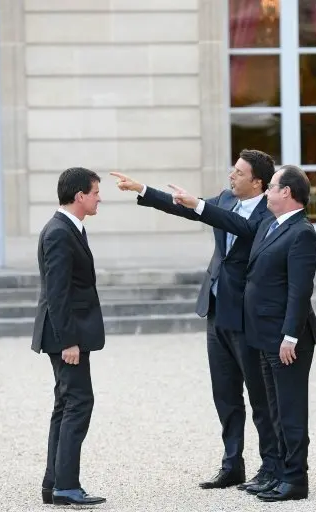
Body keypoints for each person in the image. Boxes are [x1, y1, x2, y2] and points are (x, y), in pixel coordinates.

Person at [109, 149, 280, 493]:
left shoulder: (268, 210)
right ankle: (232, 465)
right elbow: (186, 207)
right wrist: (143, 189)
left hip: (247, 316)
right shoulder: (226, 200)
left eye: (239, 173)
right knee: (225, 395)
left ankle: (271, 466)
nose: (231, 177)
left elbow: (240, 228)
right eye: (233, 171)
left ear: (257, 182)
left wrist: (200, 206)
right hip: (216, 309)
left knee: (260, 396)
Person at [171, 165, 316, 502]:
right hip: (264, 335)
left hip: (285, 339)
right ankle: (279, 473)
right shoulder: (270, 225)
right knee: (276, 409)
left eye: (273, 187)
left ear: (288, 193)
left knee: (290, 411)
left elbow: (299, 292)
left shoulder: (302, 232)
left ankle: (295, 480)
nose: (267, 191)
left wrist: (291, 337)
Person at [31, 167, 107, 506]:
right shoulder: (60, 232)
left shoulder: (68, 227)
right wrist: (68, 341)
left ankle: (55, 483)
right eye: (95, 192)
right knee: (78, 403)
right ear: (79, 196)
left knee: (66, 404)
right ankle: (66, 486)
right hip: (65, 336)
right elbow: (58, 294)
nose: (99, 198)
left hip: (66, 332)